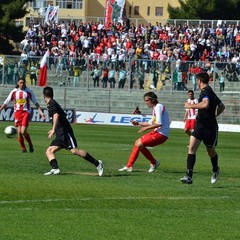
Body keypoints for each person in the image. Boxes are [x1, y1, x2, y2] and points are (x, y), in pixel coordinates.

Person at [42, 86, 104, 176]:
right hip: (60, 133)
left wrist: (53, 129)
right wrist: (56, 130)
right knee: (49, 151)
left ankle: (98, 164)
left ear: (43, 95)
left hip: (65, 132)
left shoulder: (51, 103)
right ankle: (55, 169)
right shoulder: (51, 103)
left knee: (74, 151)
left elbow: (56, 116)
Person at [180, 72, 225, 185]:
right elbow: (222, 106)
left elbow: (205, 104)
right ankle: (189, 176)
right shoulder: (210, 92)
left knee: (210, 151)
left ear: (199, 81)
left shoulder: (206, 92)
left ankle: (215, 169)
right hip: (199, 126)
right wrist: (214, 114)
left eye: (196, 81)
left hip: (210, 128)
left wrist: (191, 106)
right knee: (191, 148)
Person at [118, 92, 170, 172]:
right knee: (139, 145)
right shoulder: (156, 108)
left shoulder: (158, 107)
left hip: (161, 134)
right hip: (159, 133)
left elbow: (159, 123)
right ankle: (153, 162)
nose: (146, 103)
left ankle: (129, 166)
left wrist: (145, 128)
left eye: (146, 100)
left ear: (152, 100)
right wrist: (138, 123)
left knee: (138, 143)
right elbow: (150, 123)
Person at [0, 77, 45, 153]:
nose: (22, 84)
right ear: (18, 83)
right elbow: (6, 102)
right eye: (20, 82)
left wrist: (41, 112)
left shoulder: (29, 92)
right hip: (17, 113)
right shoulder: (14, 92)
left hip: (26, 112)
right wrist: (0, 109)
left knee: (23, 131)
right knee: (19, 132)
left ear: (25, 83)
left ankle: (30, 145)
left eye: (23, 82)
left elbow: (36, 103)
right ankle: (23, 149)